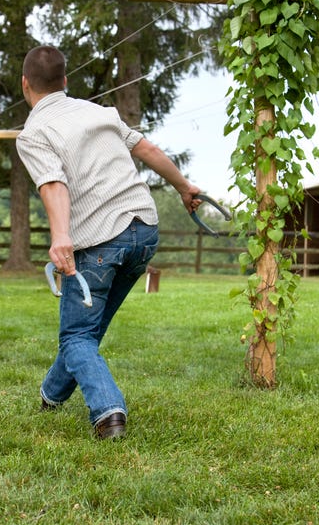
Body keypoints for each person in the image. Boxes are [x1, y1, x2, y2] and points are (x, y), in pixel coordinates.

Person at [16, 45, 201, 440]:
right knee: (88, 329)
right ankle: (51, 395)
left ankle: (108, 412)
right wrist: (184, 187)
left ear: (25, 84)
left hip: (100, 240)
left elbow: (53, 183)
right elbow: (147, 149)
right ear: (65, 81)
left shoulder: (34, 132)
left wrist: (61, 236)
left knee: (76, 335)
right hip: (144, 230)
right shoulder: (100, 113)